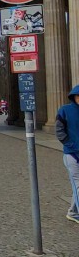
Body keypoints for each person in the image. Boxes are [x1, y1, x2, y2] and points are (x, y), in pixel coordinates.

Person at [55, 85, 79, 225]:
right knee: (77, 184)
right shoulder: (65, 110)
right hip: (72, 155)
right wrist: (71, 145)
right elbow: (59, 132)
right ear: (74, 97)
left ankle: (73, 212)